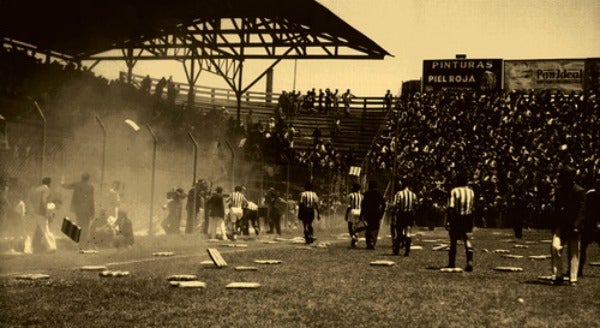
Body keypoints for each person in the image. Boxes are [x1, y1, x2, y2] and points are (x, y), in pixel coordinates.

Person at [551, 166, 585, 286]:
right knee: (555, 247)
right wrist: (554, 225)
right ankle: (558, 275)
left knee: (574, 252)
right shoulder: (560, 191)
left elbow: (581, 211)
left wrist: (576, 225)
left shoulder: (579, 191)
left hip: (574, 226)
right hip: (562, 225)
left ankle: (573, 278)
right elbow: (556, 209)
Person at [446, 171, 476, 271]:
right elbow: (472, 206)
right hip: (468, 217)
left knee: (453, 241)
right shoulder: (471, 192)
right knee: (467, 238)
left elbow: (451, 207)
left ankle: (451, 263)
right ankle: (469, 261)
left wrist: (448, 220)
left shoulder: (454, 191)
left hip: (456, 217)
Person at [61, 173, 95, 248]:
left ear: (81, 178)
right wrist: (93, 212)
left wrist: (62, 181)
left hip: (78, 209)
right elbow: (91, 200)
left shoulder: (77, 184)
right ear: (88, 179)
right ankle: (84, 244)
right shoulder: (90, 187)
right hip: (87, 210)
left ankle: (78, 243)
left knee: (79, 224)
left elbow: (66, 186)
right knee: (86, 226)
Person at [24, 177, 56, 253]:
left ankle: (27, 249)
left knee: (30, 232)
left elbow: (29, 200)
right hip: (40, 212)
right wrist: (48, 213)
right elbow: (44, 201)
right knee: (45, 230)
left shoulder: (34, 189)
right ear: (49, 183)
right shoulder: (46, 189)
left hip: (32, 212)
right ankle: (50, 247)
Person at [579, 175, 600, 277]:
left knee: (582, 248)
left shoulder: (589, 194)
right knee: (582, 248)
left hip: (591, 224)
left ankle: (578, 270)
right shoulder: (590, 195)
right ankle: (578, 270)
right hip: (590, 224)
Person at [392, 180, 418, 256]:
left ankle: (396, 250)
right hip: (409, 214)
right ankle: (407, 251)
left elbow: (395, 204)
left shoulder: (399, 194)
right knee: (408, 232)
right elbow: (415, 205)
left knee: (399, 232)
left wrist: (393, 215)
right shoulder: (413, 194)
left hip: (401, 214)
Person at [360, 181, 386, 249]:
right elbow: (383, 204)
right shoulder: (378, 194)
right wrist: (381, 213)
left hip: (368, 213)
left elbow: (363, 205)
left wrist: (362, 214)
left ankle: (368, 243)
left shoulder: (366, 194)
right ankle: (373, 242)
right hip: (376, 213)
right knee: (375, 228)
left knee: (368, 228)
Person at [344, 183, 363, 248]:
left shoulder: (351, 195)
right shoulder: (361, 196)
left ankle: (354, 237)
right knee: (356, 227)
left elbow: (349, 206)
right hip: (359, 211)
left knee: (350, 226)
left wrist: (346, 214)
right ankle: (354, 240)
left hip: (352, 211)